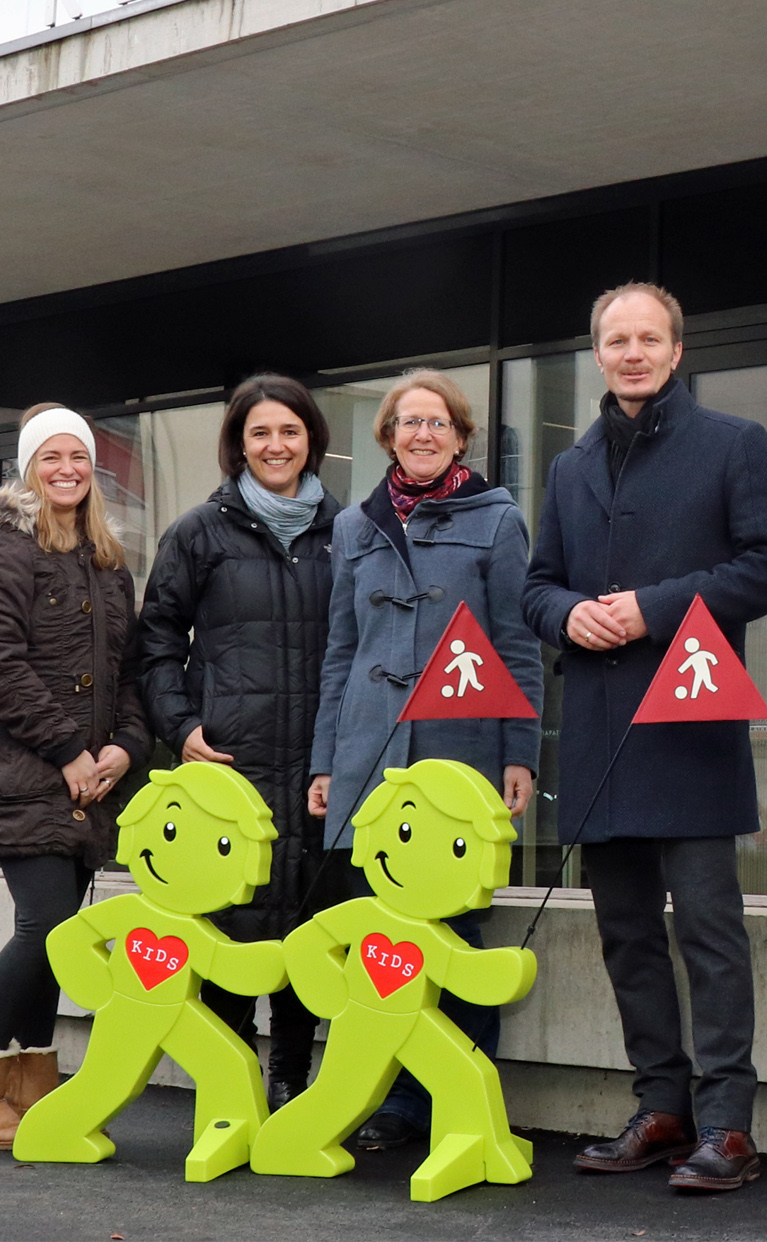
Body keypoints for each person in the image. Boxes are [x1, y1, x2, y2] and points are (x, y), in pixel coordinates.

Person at [521, 282, 767, 1193]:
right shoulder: (569, 468)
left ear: (677, 352)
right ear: (598, 354)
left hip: (690, 723)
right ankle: (663, 1108)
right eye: (616, 339)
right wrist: (569, 616)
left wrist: (649, 609)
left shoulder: (735, 445)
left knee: (711, 931)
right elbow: (536, 588)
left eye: (649, 338)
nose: (633, 352)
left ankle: (728, 1125)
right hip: (602, 734)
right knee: (628, 935)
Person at [308, 368, 541, 1150]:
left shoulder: (499, 519)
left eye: (437, 423)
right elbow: (341, 652)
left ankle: (460, 1097)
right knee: (388, 930)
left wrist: (520, 751)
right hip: (372, 751)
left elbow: (515, 641)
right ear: (388, 437)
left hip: (461, 746)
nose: (422, 435)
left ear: (462, 437)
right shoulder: (354, 528)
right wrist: (325, 764)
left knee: (461, 929)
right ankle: (398, 1098)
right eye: (408, 423)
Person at [0, 403, 150, 1151]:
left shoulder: (107, 564)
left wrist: (125, 745)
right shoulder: (0, 550)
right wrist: (66, 750)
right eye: (51, 458)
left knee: (60, 939)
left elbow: (126, 674)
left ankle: (31, 1090)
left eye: (78, 458)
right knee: (44, 926)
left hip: (90, 783)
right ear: (28, 468)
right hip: (27, 776)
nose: (66, 470)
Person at [129, 374, 341, 1111]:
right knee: (232, 923)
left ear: (311, 437)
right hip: (229, 764)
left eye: (289, 430)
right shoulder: (199, 532)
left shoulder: (348, 534)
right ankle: (228, 1083)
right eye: (260, 433)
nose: (276, 445)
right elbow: (154, 640)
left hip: (321, 766)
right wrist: (182, 728)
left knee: (308, 922)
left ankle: (289, 1079)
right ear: (238, 445)